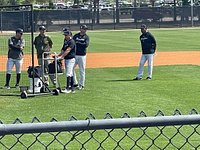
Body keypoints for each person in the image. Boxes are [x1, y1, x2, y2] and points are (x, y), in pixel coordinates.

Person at [73, 24, 90, 90]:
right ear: (80, 29)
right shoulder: (76, 35)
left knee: (82, 70)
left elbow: (86, 45)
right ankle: (75, 82)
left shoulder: (86, 37)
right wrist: (80, 42)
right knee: (71, 69)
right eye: (84, 29)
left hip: (82, 55)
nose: (85, 30)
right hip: (75, 54)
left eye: (86, 29)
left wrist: (78, 42)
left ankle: (81, 84)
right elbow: (73, 43)